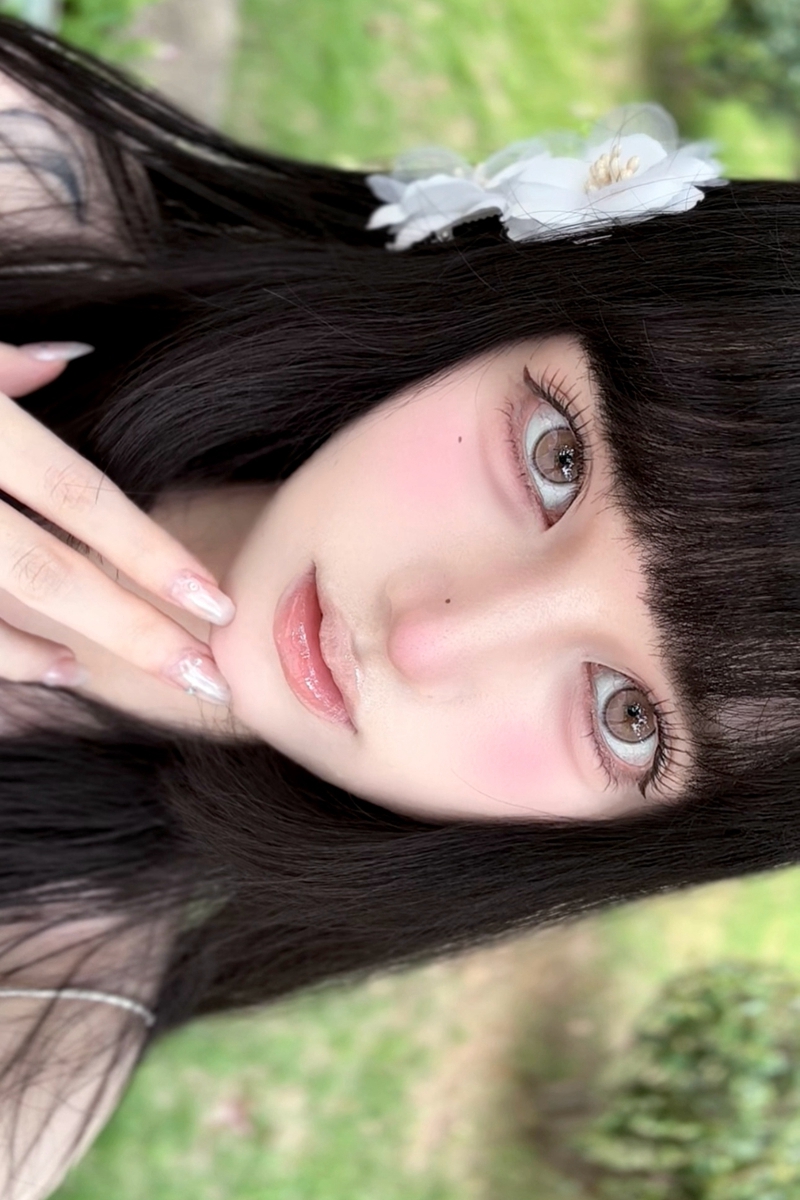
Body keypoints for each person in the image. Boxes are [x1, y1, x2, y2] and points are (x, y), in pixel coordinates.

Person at [0, 13, 793, 1200]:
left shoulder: (26, 1037)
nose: (427, 638)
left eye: (625, 717)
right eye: (555, 460)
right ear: (529, 301)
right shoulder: (20, 161)